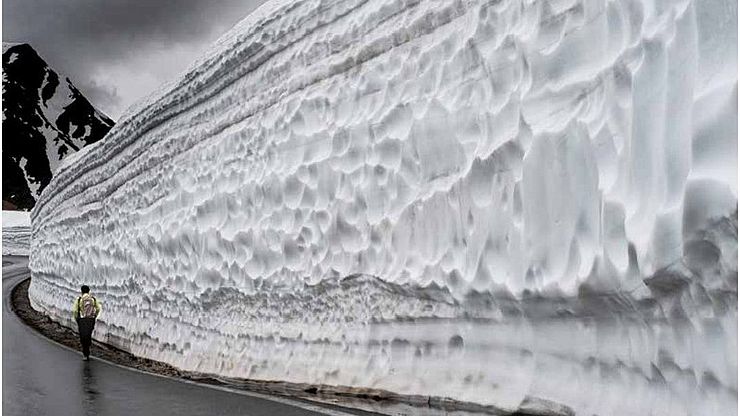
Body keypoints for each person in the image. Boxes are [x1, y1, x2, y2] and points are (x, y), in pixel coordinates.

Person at [72, 285, 101, 361]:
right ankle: (88, 346)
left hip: (82, 320)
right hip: (91, 320)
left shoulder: (79, 299)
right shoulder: (93, 299)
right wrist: (94, 316)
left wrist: (77, 318)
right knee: (88, 334)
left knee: (83, 336)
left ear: (81, 291)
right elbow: (98, 308)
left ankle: (85, 353)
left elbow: (75, 310)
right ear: (89, 291)